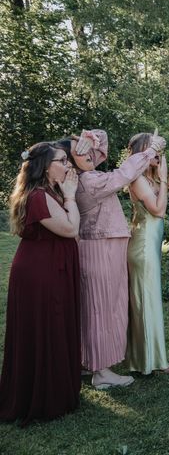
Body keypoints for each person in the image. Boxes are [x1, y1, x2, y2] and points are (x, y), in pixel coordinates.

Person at [59, 129, 165, 389]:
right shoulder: (88, 181)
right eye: (80, 151)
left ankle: (89, 362)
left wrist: (90, 138)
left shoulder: (87, 173)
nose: (89, 153)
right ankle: (102, 372)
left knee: (95, 307)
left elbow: (103, 141)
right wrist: (150, 150)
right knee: (101, 310)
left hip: (103, 247)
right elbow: (124, 174)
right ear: (71, 161)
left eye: (88, 149)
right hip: (100, 250)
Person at [0, 142, 81, 426]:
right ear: (46, 166)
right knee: (46, 328)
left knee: (54, 327)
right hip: (40, 274)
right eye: (63, 160)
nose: (68, 165)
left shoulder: (49, 192)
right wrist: (70, 197)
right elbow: (71, 229)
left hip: (49, 268)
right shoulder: (38, 197)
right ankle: (43, 397)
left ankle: (56, 390)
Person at [124, 132, 169, 375]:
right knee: (146, 301)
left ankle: (150, 357)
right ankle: (148, 361)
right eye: (152, 150)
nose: (157, 155)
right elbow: (158, 211)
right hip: (142, 245)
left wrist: (161, 178)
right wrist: (164, 180)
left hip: (150, 244)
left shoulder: (149, 178)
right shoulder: (138, 179)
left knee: (149, 300)